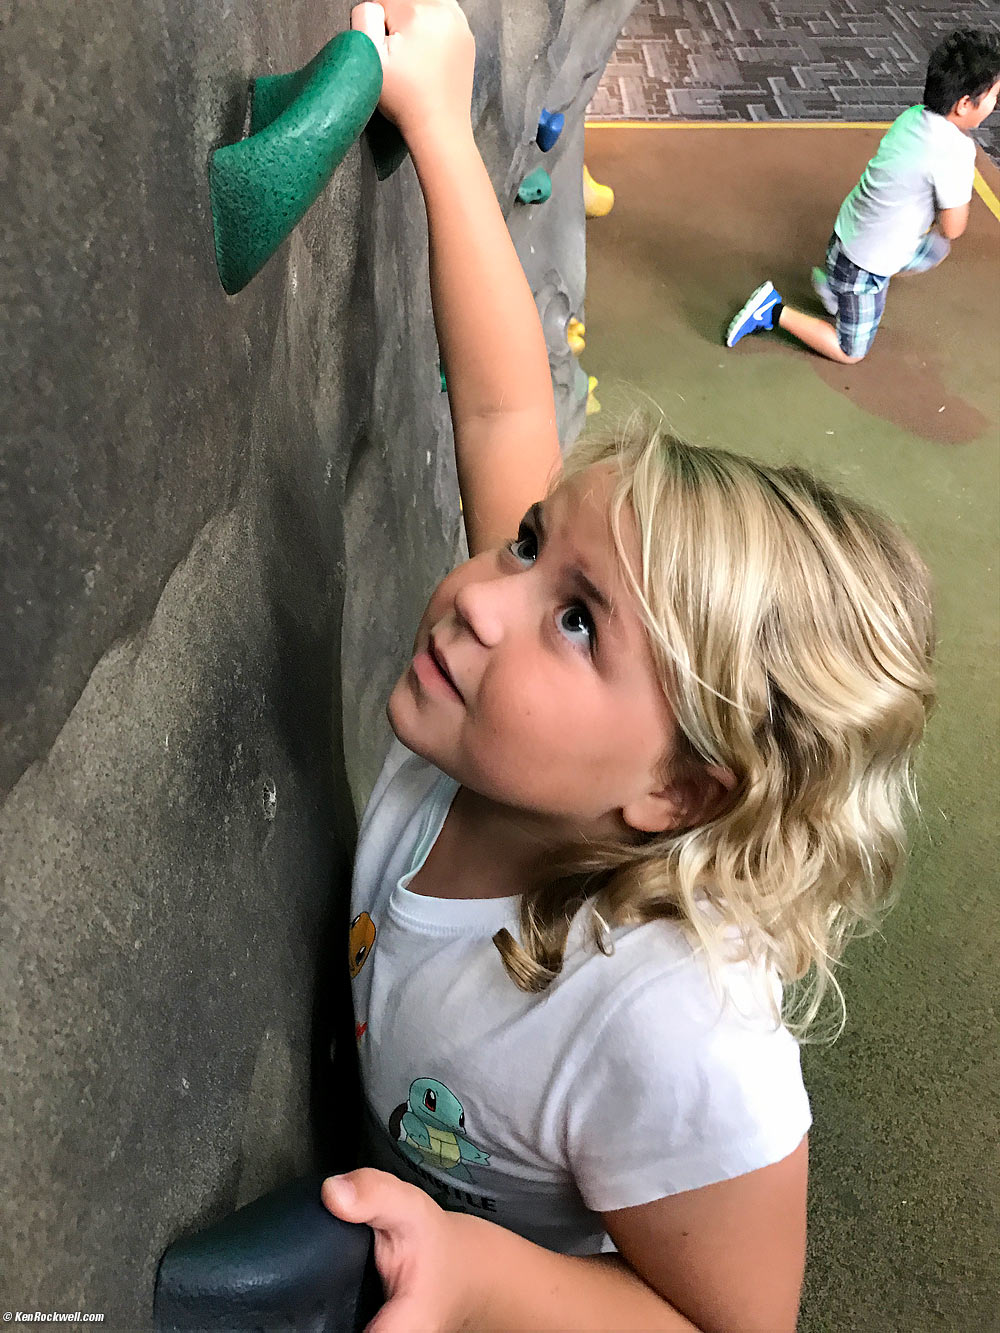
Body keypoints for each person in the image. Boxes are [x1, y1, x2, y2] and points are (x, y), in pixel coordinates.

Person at [323, 4, 936, 1330]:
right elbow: (500, 407)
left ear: (675, 794)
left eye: (579, 617)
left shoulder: (676, 1032)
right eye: (531, 548)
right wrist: (437, 117)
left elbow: (731, 1324)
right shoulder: (515, 710)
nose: (486, 595)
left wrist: (478, 1276)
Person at [726, 28, 1000, 363]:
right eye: (993, 96)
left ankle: (834, 284)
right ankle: (772, 311)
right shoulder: (956, 152)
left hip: (847, 233)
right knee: (850, 350)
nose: (995, 103)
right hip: (864, 266)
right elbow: (954, 228)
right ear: (964, 104)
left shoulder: (913, 116)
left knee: (932, 250)